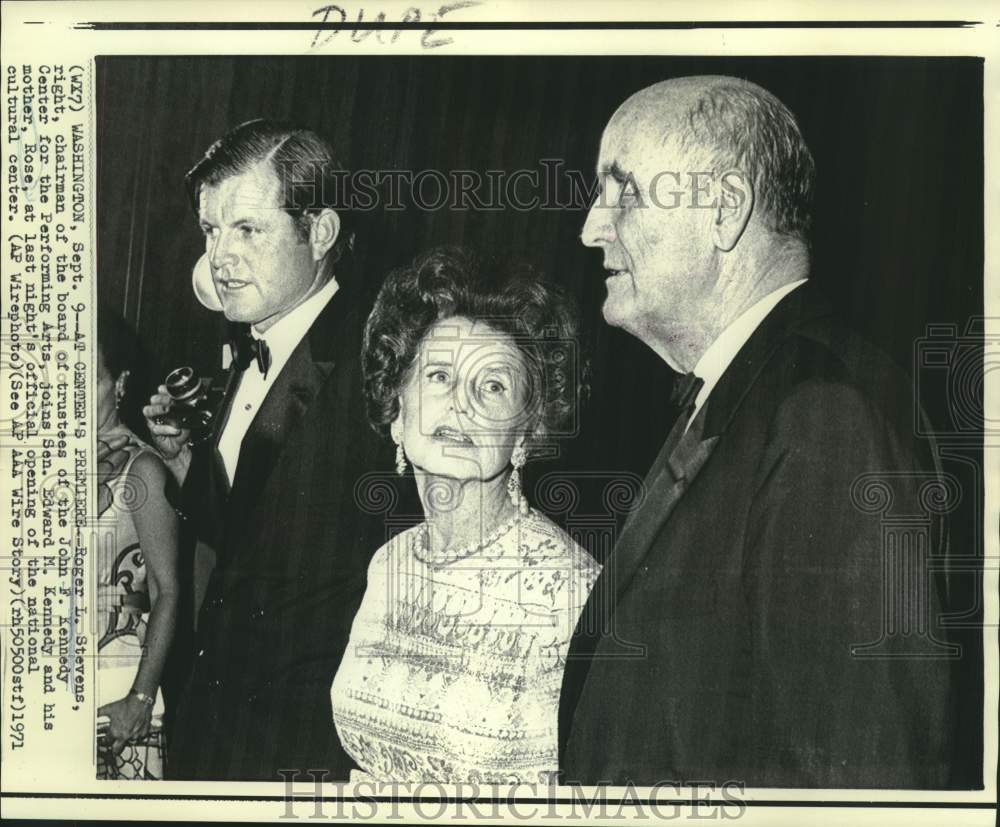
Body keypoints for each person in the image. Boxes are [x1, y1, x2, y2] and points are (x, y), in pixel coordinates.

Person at [559, 76, 958, 787]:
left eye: (622, 191)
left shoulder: (825, 414)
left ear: (725, 210)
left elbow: (856, 780)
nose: (591, 226)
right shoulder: (744, 393)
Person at [142, 119, 386, 780]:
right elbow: (252, 535)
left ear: (322, 232)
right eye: (211, 229)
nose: (220, 257)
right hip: (211, 736)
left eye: (248, 228)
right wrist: (191, 466)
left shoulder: (377, 366)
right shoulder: (252, 349)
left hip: (296, 758)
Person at [330, 248, 600, 784]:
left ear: (527, 431)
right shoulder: (389, 563)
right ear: (397, 410)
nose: (461, 403)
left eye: (493, 385)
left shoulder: (570, 591)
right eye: (438, 376)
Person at [96, 310, 180, 779]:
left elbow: (168, 591)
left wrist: (141, 697)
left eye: (91, 377)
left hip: (120, 686)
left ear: (121, 383)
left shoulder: (142, 470)